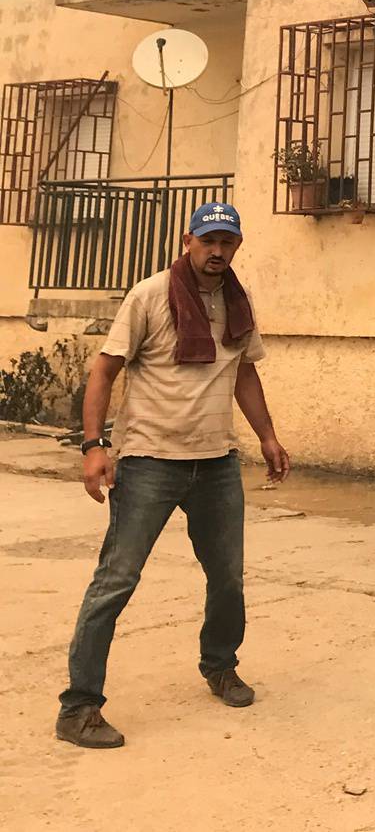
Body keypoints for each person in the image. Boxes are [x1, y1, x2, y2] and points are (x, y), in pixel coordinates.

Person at [55, 201, 290, 751]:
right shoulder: (149, 295)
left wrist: (268, 436)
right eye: (207, 241)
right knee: (116, 580)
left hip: (216, 463)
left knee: (227, 576)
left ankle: (220, 666)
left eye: (227, 242)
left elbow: (244, 373)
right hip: (149, 462)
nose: (217, 251)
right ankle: (79, 706)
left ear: (236, 246)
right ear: (188, 241)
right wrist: (93, 447)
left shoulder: (237, 300)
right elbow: (105, 369)